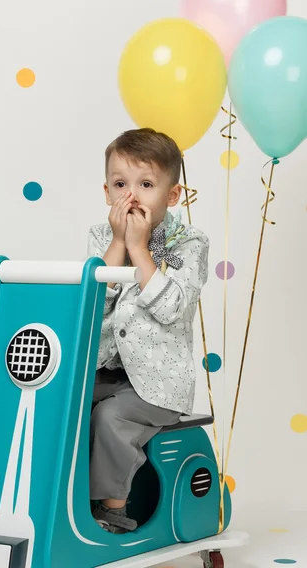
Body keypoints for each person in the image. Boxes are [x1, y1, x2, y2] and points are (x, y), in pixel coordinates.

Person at [87, 128, 209, 534]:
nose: (132, 196)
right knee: (61, 404)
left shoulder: (189, 243)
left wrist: (140, 249)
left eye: (146, 184)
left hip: (158, 386)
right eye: (121, 185)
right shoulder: (101, 237)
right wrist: (120, 243)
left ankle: (112, 509)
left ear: (172, 195)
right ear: (107, 192)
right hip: (106, 373)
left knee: (110, 417)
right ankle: (57, 497)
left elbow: (173, 308)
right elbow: (88, 306)